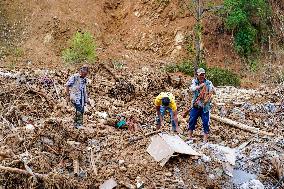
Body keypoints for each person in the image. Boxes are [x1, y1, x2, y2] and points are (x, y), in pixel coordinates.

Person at [182, 68, 215, 142]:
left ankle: (205, 139)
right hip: (196, 106)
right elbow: (191, 89)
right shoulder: (195, 82)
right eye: (200, 75)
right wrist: (200, 86)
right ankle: (189, 136)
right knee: (192, 120)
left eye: (203, 75)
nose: (202, 76)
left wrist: (210, 94)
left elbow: (213, 92)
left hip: (205, 107)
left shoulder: (209, 83)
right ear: (197, 75)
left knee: (206, 122)